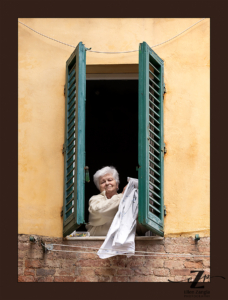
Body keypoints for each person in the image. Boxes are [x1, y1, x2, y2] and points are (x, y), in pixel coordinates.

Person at [86, 166, 147, 236]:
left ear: (117, 185)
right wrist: (123, 195)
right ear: (99, 188)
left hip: (128, 243)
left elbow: (142, 227)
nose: (107, 183)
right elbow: (100, 211)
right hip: (98, 244)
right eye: (103, 182)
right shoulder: (95, 199)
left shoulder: (130, 199)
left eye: (110, 180)